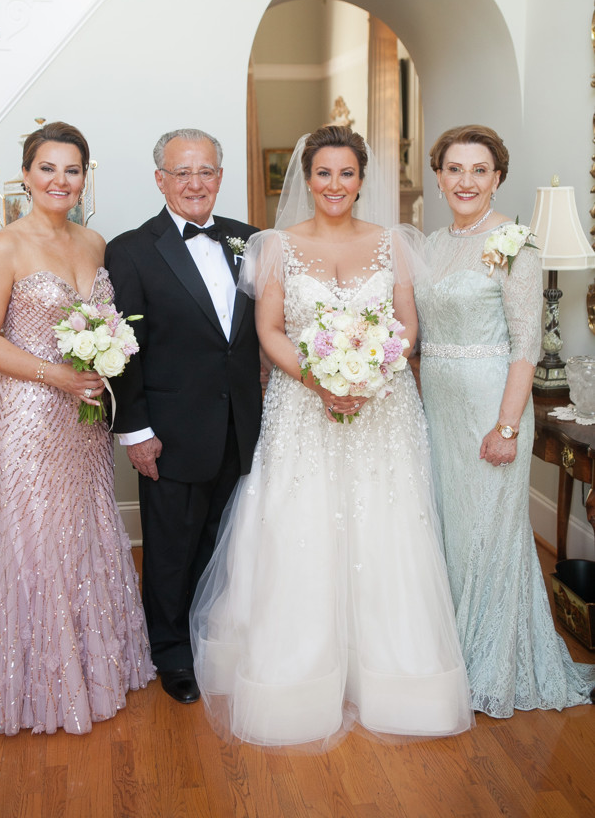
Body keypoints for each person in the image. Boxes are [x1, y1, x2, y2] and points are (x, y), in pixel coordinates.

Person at [190, 126, 474, 747]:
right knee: (303, 523)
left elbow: (407, 325)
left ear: (361, 179)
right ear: (307, 178)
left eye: (347, 173)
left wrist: (372, 372)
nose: (335, 185)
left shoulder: (394, 243)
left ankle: (394, 675)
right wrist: (319, 379)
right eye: (324, 173)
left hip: (383, 409)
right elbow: (269, 329)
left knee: (386, 525)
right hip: (302, 406)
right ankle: (300, 673)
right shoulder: (274, 247)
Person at [0, 121, 155, 736]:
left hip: (86, 417)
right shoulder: (4, 247)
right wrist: (57, 375)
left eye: (72, 170)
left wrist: (103, 362)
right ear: (26, 175)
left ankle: (93, 669)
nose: (60, 180)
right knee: (36, 538)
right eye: (48, 168)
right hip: (30, 418)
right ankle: (37, 683)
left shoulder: (95, 242)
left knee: (87, 529)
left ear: (84, 178)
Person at [414, 124, 595, 716]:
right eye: (455, 169)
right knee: (450, 531)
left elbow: (525, 346)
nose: (466, 181)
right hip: (439, 406)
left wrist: (509, 427)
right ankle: (452, 655)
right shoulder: (430, 245)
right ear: (438, 177)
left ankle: (492, 666)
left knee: (489, 537)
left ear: (497, 178)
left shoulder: (517, 244)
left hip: (492, 407)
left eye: (479, 170)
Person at [104, 128, 262, 705]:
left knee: (226, 544)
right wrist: (136, 431)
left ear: (220, 176)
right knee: (171, 550)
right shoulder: (130, 249)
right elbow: (122, 348)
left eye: (207, 171)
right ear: (160, 180)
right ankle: (170, 652)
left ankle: (213, 641)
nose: (196, 183)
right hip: (170, 432)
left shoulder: (251, 240)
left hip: (242, 424)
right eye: (182, 172)